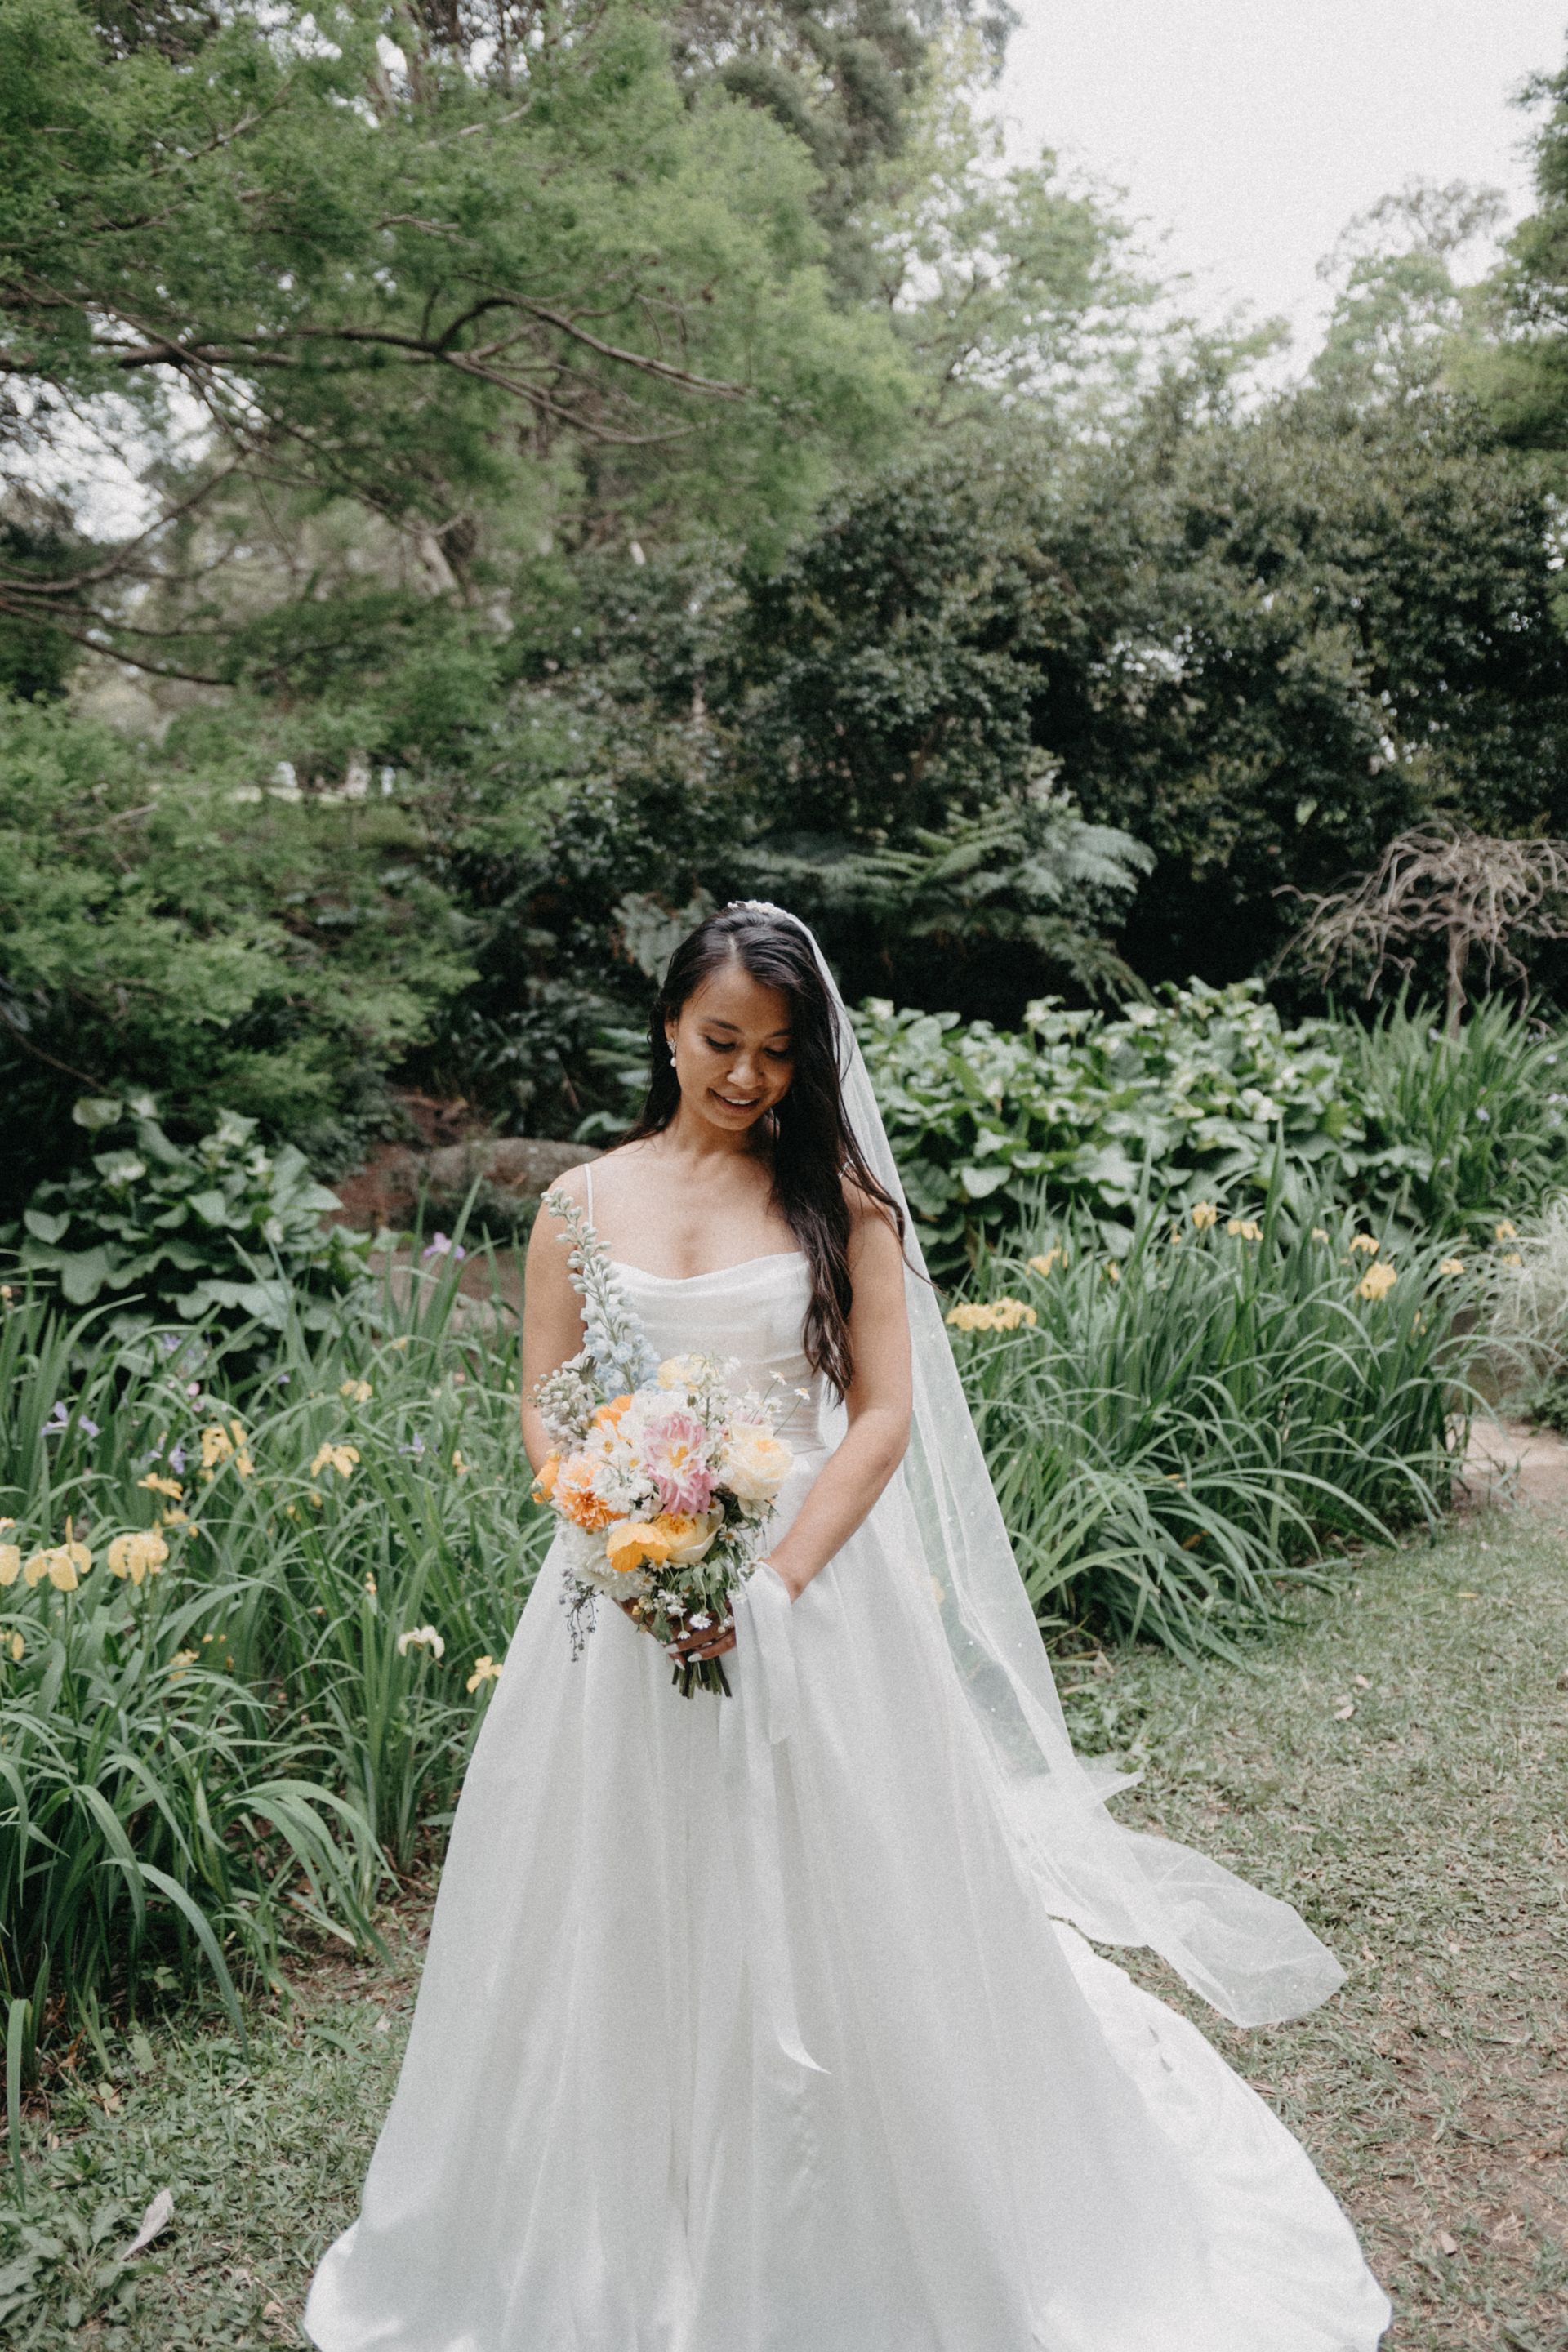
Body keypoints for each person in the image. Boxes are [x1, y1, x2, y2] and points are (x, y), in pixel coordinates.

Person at [306, 902, 1391, 2351]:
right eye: (720, 1043)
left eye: (777, 1051)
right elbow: (544, 1400)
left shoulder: (845, 1205)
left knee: (848, 1897)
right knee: (610, 1898)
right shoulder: (578, 1204)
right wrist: (622, 1541)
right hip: (618, 1595)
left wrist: (766, 1585)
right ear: (670, 1029)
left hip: (809, 1596)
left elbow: (878, 1416)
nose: (747, 1076)